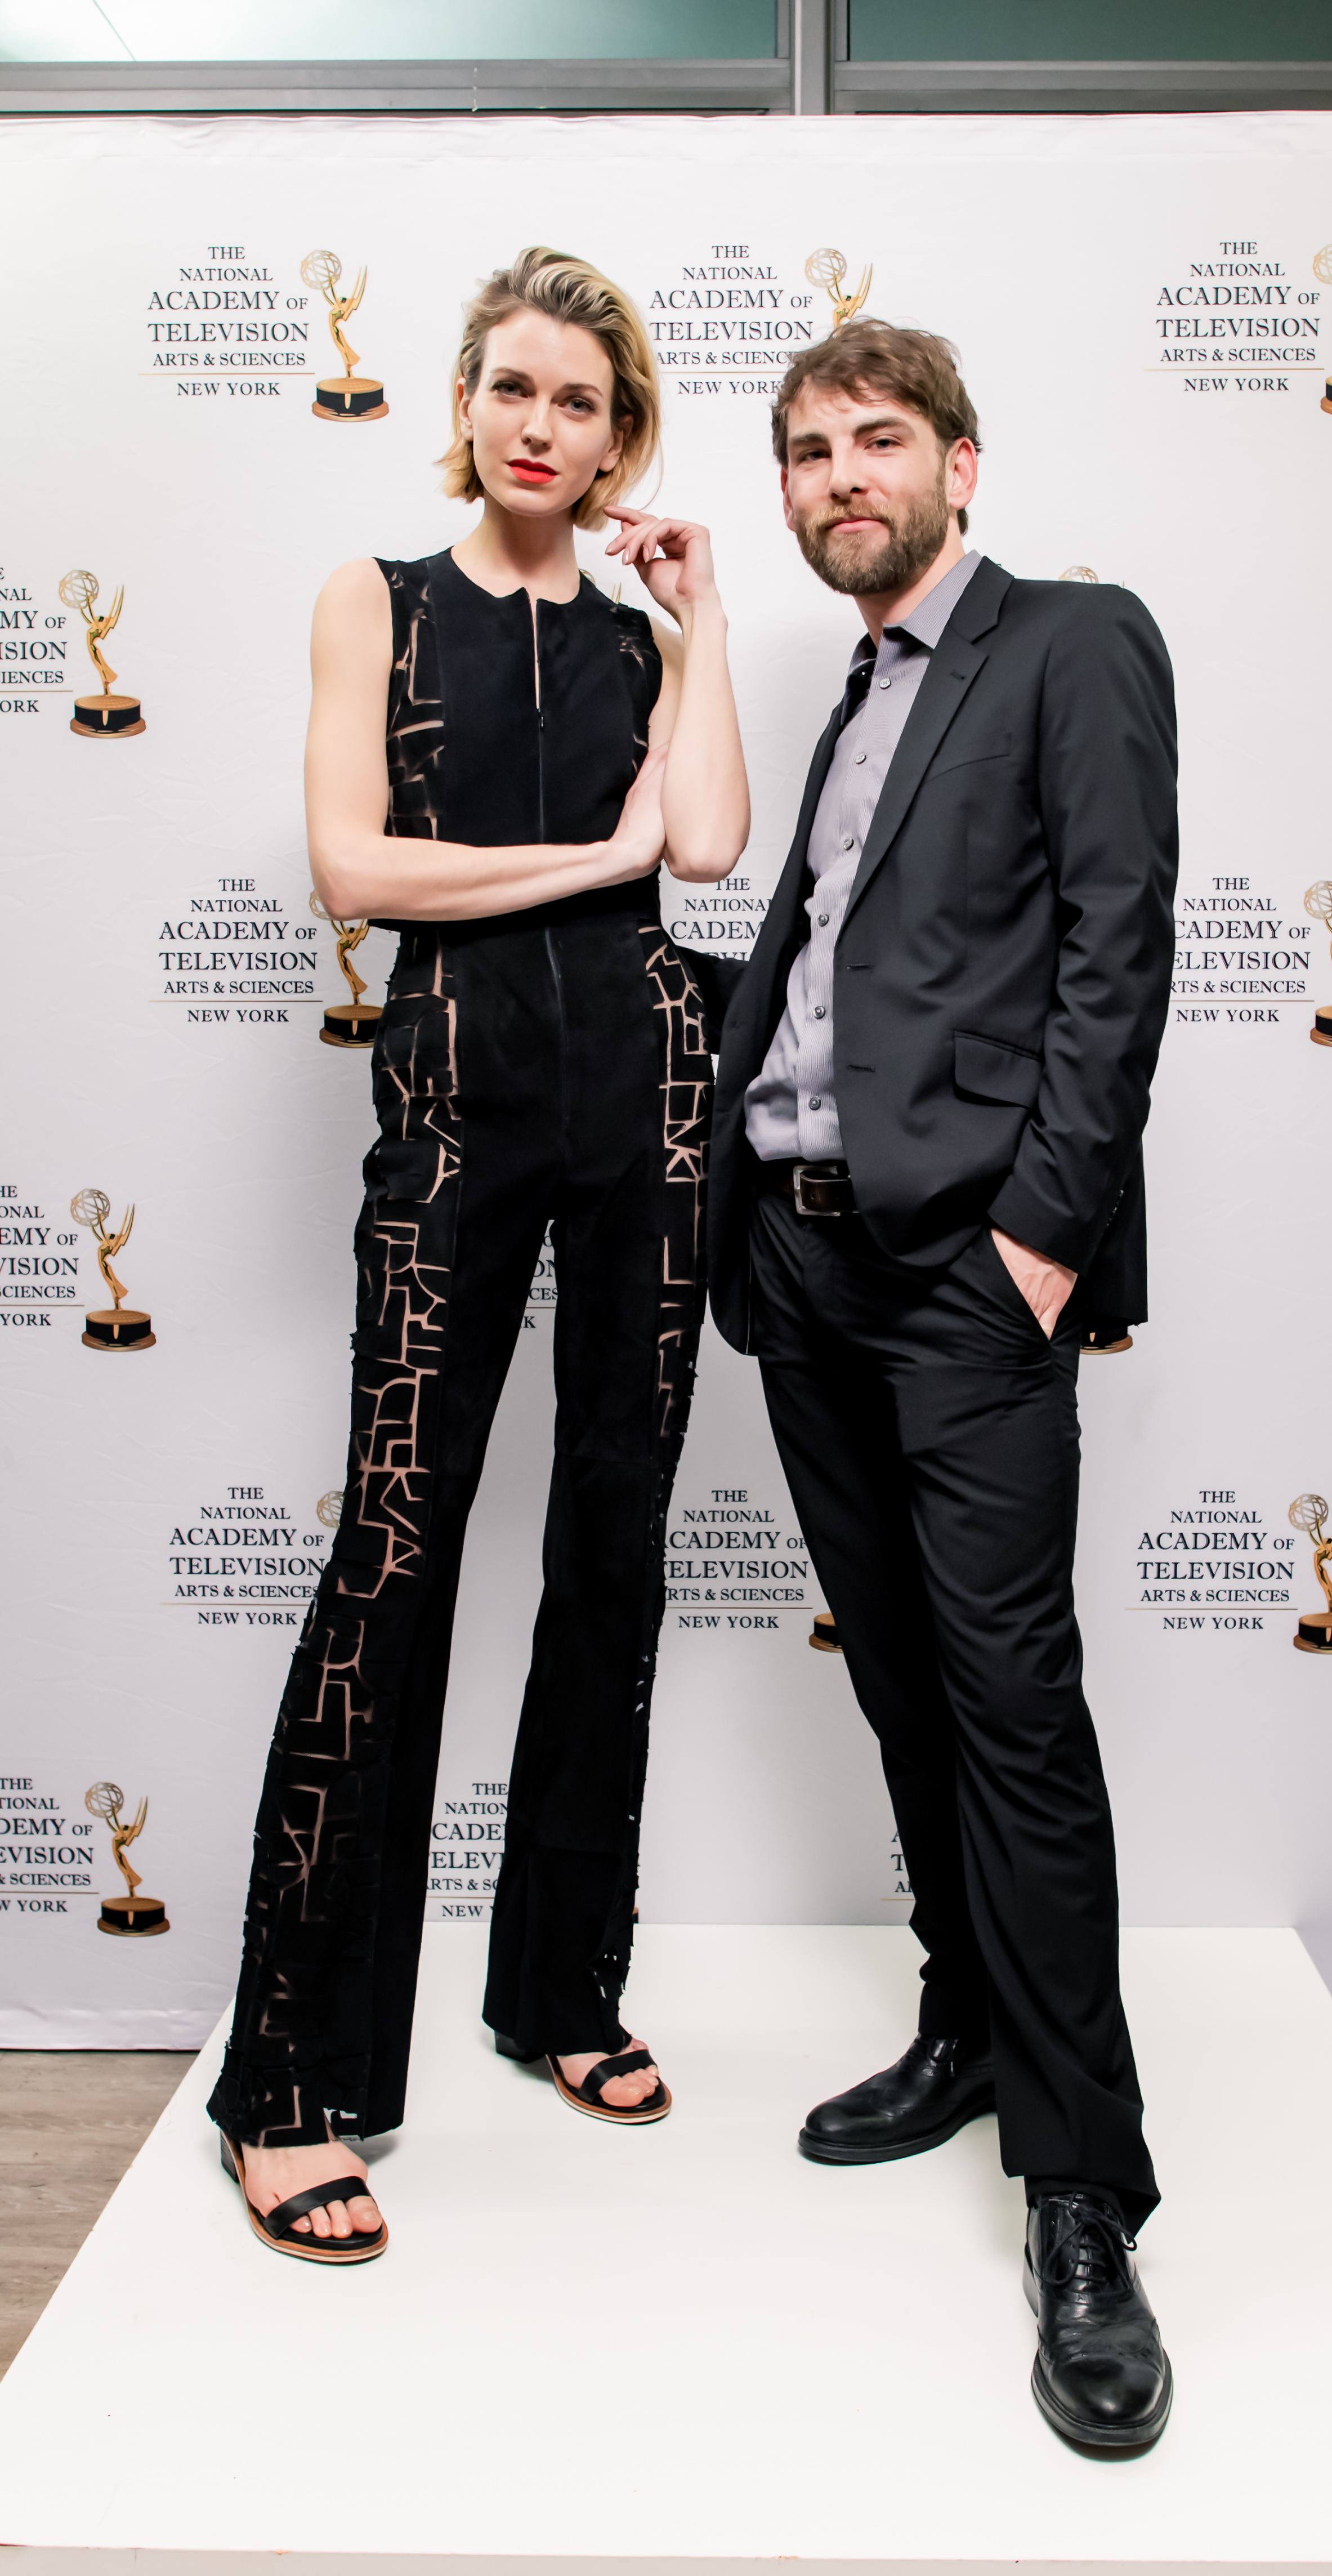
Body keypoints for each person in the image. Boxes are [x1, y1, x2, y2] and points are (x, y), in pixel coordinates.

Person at [208, 247, 749, 2262]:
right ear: (464, 402)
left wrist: (704, 620)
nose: (542, 425)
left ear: (621, 440)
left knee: (615, 1542)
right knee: (395, 1548)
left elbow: (707, 847)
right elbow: (354, 867)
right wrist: (591, 861)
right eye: (514, 388)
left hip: (651, 1105)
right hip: (458, 1098)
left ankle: (561, 1993)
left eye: (581, 403)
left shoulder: (638, 640)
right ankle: (285, 2080)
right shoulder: (379, 600)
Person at [706, 321, 1178, 2448]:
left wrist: (1042, 1243)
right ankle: (967, 2023)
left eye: (877, 440)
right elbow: (847, 971)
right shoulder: (856, 695)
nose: (841, 477)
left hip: (966, 1275)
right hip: (803, 1258)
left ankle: (1085, 2199)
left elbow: (1117, 941)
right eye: (809, 451)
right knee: (903, 1680)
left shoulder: (1071, 641)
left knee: (1014, 1712)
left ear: (961, 464)